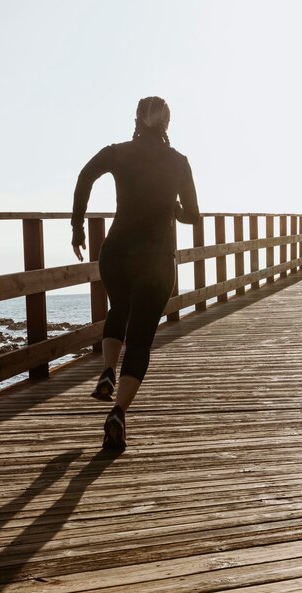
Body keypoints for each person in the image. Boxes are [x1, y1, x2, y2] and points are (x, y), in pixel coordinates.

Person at [71, 96, 200, 450]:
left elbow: (85, 175)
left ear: (136, 120)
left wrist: (77, 226)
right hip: (157, 259)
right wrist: (172, 207)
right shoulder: (178, 162)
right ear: (167, 123)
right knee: (141, 339)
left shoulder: (118, 152)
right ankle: (118, 413)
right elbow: (194, 215)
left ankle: (108, 371)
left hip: (116, 253)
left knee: (118, 309)